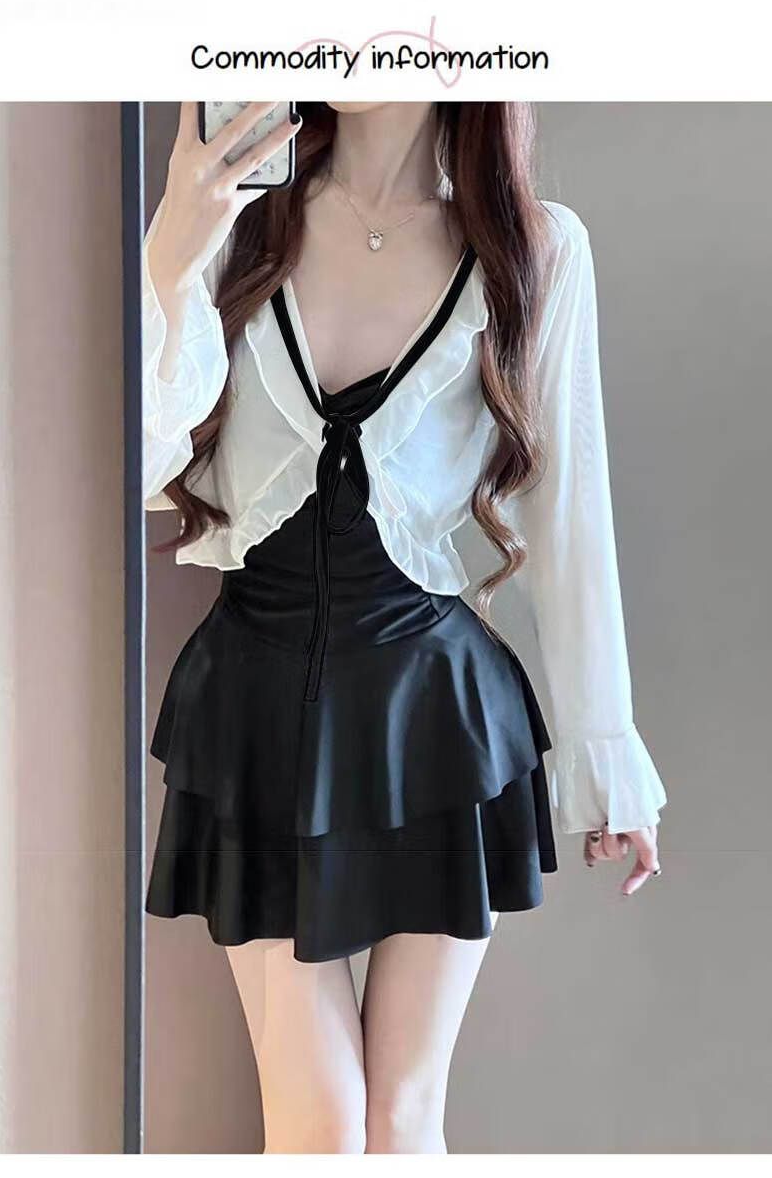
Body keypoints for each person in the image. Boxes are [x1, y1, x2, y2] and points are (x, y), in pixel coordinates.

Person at [141, 101, 667, 1154]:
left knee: (402, 1118)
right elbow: (143, 461)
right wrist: (173, 254)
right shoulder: (238, 218)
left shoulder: (536, 245)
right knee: (319, 1124)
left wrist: (605, 751)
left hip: (438, 718)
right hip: (251, 712)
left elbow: (570, 509)